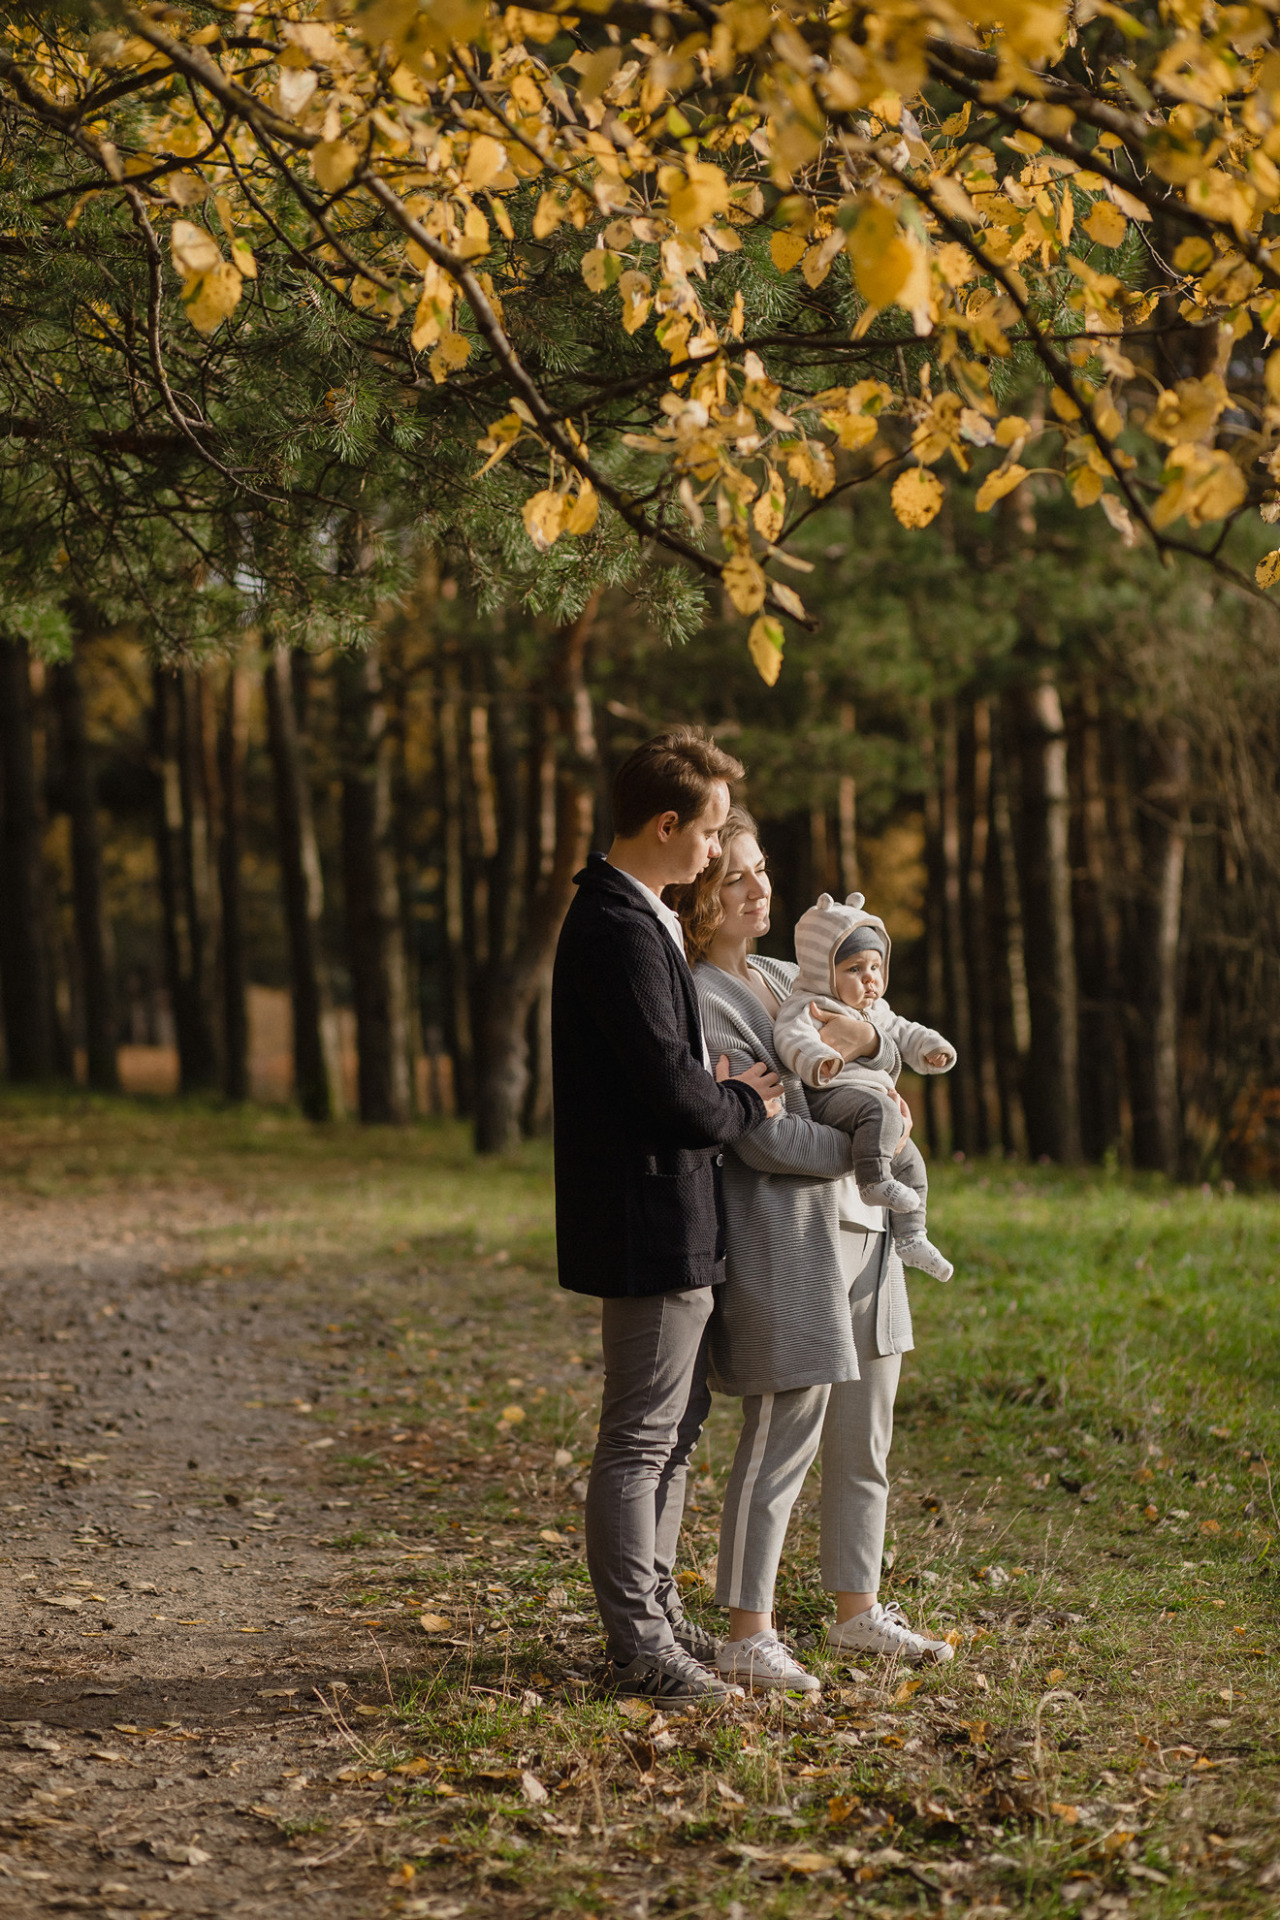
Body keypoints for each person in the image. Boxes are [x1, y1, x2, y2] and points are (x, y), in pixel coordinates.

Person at [672, 807, 954, 1692]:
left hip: (867, 1229)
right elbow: (761, 1138)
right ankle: (746, 1632)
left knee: (866, 1433)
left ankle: (856, 1610)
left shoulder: (779, 970)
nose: (760, 887)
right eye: (738, 876)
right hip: (787, 1239)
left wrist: (873, 1045)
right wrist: (885, 1146)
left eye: (761, 871)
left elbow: (871, 1020)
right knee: (782, 1433)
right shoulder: (702, 995)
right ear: (699, 899)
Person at [551, 730, 784, 1703]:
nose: (714, 853)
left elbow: (671, 1075)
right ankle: (638, 1647)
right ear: (665, 825)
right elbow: (665, 1088)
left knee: (675, 1429)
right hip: (644, 1214)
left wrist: (710, 1088)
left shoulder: (633, 912)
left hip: (675, 1210)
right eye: (711, 832)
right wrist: (747, 1103)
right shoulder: (611, 923)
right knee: (640, 1436)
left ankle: (655, 1611)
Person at [773, 891, 956, 1282]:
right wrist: (818, 1059)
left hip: (873, 1105)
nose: (870, 978)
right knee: (882, 1111)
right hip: (829, 1095)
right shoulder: (809, 1004)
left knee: (912, 1163)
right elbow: (791, 1037)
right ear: (824, 970)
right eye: (855, 969)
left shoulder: (874, 1011)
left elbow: (904, 1032)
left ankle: (912, 1236)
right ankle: (872, 1182)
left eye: (875, 966)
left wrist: (931, 1048)